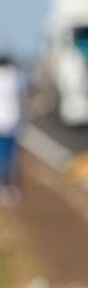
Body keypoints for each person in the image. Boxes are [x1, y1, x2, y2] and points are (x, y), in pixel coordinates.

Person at [0, 53, 23, 205]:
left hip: (6, 123)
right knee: (8, 157)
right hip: (11, 124)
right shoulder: (14, 76)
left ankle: (5, 187)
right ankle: (6, 187)